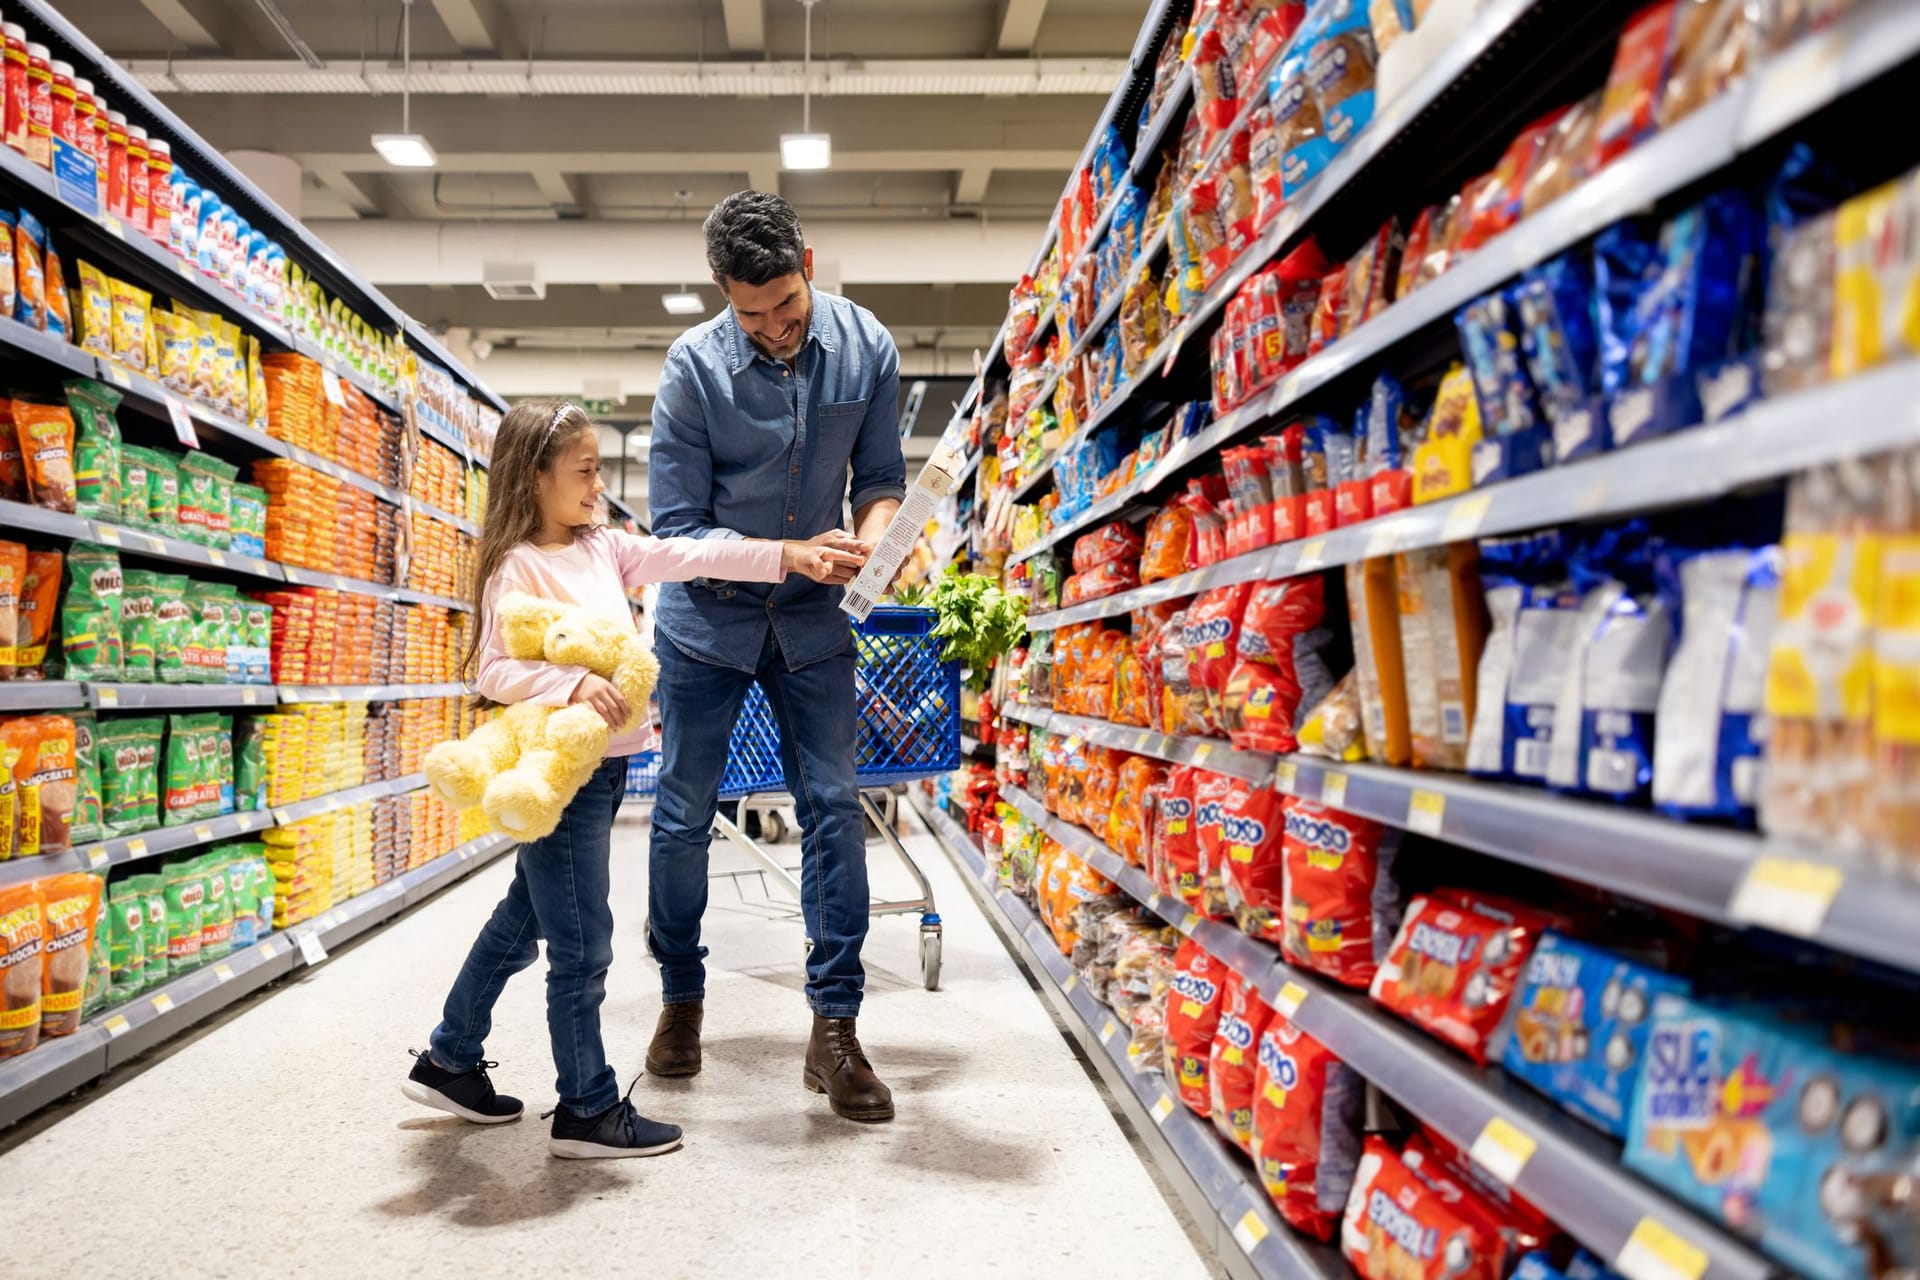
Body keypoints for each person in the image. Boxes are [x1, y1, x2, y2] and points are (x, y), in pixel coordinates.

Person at [403, 397, 868, 1158]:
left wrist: (791, 553)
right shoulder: (519, 565)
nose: (597, 486)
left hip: (607, 768)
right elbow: (491, 667)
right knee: (582, 948)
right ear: (535, 477)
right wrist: (569, 686)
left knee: (522, 924)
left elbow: (690, 555)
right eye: (584, 472)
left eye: (599, 471)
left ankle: (450, 1058)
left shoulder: (603, 548)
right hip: (563, 776)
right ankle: (585, 1107)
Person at [646, 191, 907, 1122]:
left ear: (807, 258)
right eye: (749, 314)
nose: (773, 330)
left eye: (785, 307)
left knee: (834, 807)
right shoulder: (690, 369)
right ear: (723, 295)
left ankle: (834, 1028)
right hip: (705, 623)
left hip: (814, 621)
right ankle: (682, 998)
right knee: (680, 816)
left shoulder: (867, 345)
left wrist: (876, 538)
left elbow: (880, 480)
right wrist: (784, 553)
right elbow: (674, 532)